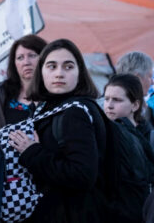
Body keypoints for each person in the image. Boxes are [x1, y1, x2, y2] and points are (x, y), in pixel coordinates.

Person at [8, 38, 107, 222]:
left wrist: (32, 152)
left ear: (80, 73)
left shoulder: (74, 112)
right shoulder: (49, 108)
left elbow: (82, 175)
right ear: (42, 72)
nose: (59, 74)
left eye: (68, 67)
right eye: (51, 66)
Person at [103, 73, 154, 222]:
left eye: (117, 100)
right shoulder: (108, 131)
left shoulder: (145, 135)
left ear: (135, 105)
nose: (109, 105)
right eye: (106, 99)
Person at [0, 34, 47, 133]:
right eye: (20, 58)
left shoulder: (55, 94)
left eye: (32, 55)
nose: (26, 62)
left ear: (45, 58)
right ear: (14, 63)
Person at [115, 51, 154, 131]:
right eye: (150, 76)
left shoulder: (142, 106)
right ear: (137, 78)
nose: (152, 81)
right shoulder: (119, 109)